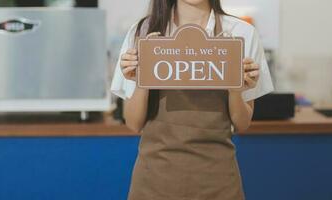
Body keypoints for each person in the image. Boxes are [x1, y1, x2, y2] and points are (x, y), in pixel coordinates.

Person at [110, 0, 274, 199]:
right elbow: (134, 124)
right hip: (154, 182)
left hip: (218, 182)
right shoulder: (142, 32)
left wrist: (235, 89)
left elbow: (242, 123)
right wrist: (139, 80)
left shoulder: (243, 33)